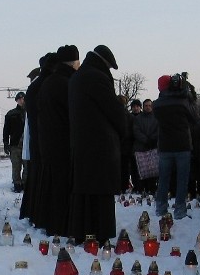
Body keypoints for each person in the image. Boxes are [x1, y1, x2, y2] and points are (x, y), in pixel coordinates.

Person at [67, 45, 127, 242]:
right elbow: (111, 109)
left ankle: (82, 230)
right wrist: (124, 122)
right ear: (104, 63)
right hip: (100, 144)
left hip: (82, 143)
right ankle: (100, 233)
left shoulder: (78, 77)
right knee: (101, 192)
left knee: (84, 192)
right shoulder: (97, 77)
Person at [36, 45, 79, 236]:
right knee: (62, 189)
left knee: (51, 186)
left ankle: (50, 223)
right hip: (63, 143)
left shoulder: (48, 82)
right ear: (73, 63)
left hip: (48, 143)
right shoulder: (67, 83)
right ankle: (60, 226)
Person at [152, 72, 198, 220]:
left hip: (165, 145)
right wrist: (188, 94)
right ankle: (179, 210)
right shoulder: (183, 102)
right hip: (182, 145)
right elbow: (194, 117)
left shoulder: (156, 104)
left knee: (164, 179)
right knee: (182, 179)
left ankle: (161, 208)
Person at [21, 53, 58, 224]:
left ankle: (31, 212)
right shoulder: (45, 85)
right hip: (44, 141)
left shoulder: (35, 86)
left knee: (35, 180)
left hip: (36, 141)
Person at [132, 98, 159, 193]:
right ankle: (140, 188)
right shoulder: (138, 118)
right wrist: (145, 140)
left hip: (153, 147)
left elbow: (159, 130)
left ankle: (151, 188)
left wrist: (152, 139)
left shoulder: (156, 117)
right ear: (143, 107)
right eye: (146, 106)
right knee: (140, 170)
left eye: (149, 105)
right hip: (140, 147)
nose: (148, 107)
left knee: (152, 170)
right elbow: (136, 131)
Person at [2, 92, 26, 192]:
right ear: (16, 100)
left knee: (27, 166)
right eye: (19, 99)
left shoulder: (30, 113)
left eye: (23, 99)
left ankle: (25, 184)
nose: (21, 100)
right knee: (16, 166)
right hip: (15, 145)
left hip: (27, 145)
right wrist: (6, 143)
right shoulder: (10, 114)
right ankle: (17, 184)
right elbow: (6, 130)